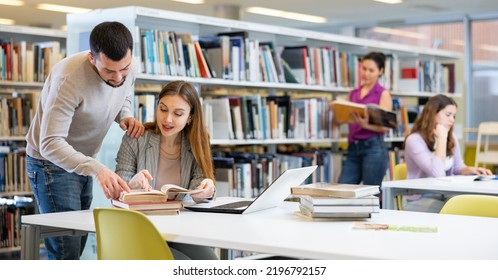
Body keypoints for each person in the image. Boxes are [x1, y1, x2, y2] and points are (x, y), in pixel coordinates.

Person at [25, 21, 145, 260]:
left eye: (124, 68)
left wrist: (126, 115)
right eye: (109, 71)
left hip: (81, 160)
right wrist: (97, 169)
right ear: (92, 58)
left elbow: (124, 93)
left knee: (78, 241)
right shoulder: (68, 78)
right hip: (50, 164)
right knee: (65, 250)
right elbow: (49, 143)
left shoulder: (127, 68)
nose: (118, 77)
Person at [115, 80, 218, 260]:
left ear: (190, 118)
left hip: (177, 229)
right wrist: (132, 185)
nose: (167, 119)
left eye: (178, 113)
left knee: (211, 263)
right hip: (138, 228)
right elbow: (117, 190)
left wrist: (207, 189)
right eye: (163, 109)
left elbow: (198, 191)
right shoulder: (136, 139)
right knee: (184, 265)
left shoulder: (196, 143)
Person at [404, 94, 492, 212]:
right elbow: (438, 173)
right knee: (462, 210)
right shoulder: (414, 140)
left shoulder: (451, 137)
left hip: (445, 193)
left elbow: (457, 167)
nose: (452, 120)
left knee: (477, 205)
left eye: (454, 116)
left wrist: (472, 170)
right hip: (421, 198)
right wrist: (442, 139)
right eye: (448, 115)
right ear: (432, 114)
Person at [335, 51, 392, 186]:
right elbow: (344, 119)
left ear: (380, 71)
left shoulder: (383, 94)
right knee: (342, 189)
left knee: (370, 194)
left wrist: (365, 125)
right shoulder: (353, 93)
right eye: (364, 68)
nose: (366, 73)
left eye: (371, 70)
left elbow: (384, 127)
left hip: (374, 148)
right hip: (353, 147)